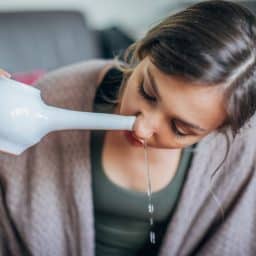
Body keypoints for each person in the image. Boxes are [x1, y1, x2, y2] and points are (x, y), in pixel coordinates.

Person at [0, 0, 256, 255]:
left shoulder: (241, 154)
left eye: (180, 129)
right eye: (146, 92)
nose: (142, 129)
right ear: (143, 51)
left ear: (219, 131)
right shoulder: (57, 94)